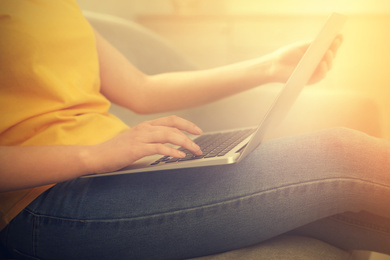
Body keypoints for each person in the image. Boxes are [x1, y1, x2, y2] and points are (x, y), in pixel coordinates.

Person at [0, 0, 389, 259]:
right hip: (40, 203)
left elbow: (141, 89)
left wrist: (268, 67)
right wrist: (96, 154)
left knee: (341, 206)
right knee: (340, 151)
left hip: (121, 171)